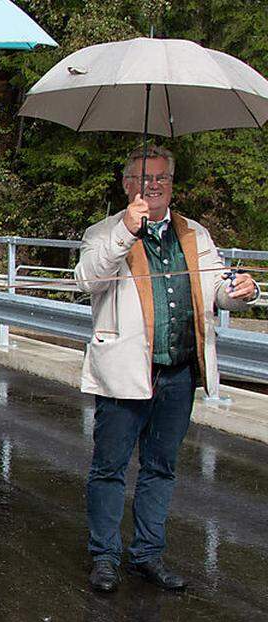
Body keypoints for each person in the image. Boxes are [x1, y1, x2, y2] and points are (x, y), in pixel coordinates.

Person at [75, 145, 259, 594]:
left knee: (160, 468)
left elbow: (218, 291)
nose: (152, 186)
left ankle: (147, 554)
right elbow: (87, 281)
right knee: (109, 468)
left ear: (172, 185)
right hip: (124, 372)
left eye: (160, 178)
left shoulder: (194, 234)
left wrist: (243, 292)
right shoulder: (104, 232)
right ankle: (105, 557)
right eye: (142, 178)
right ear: (126, 185)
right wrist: (126, 232)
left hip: (177, 373)